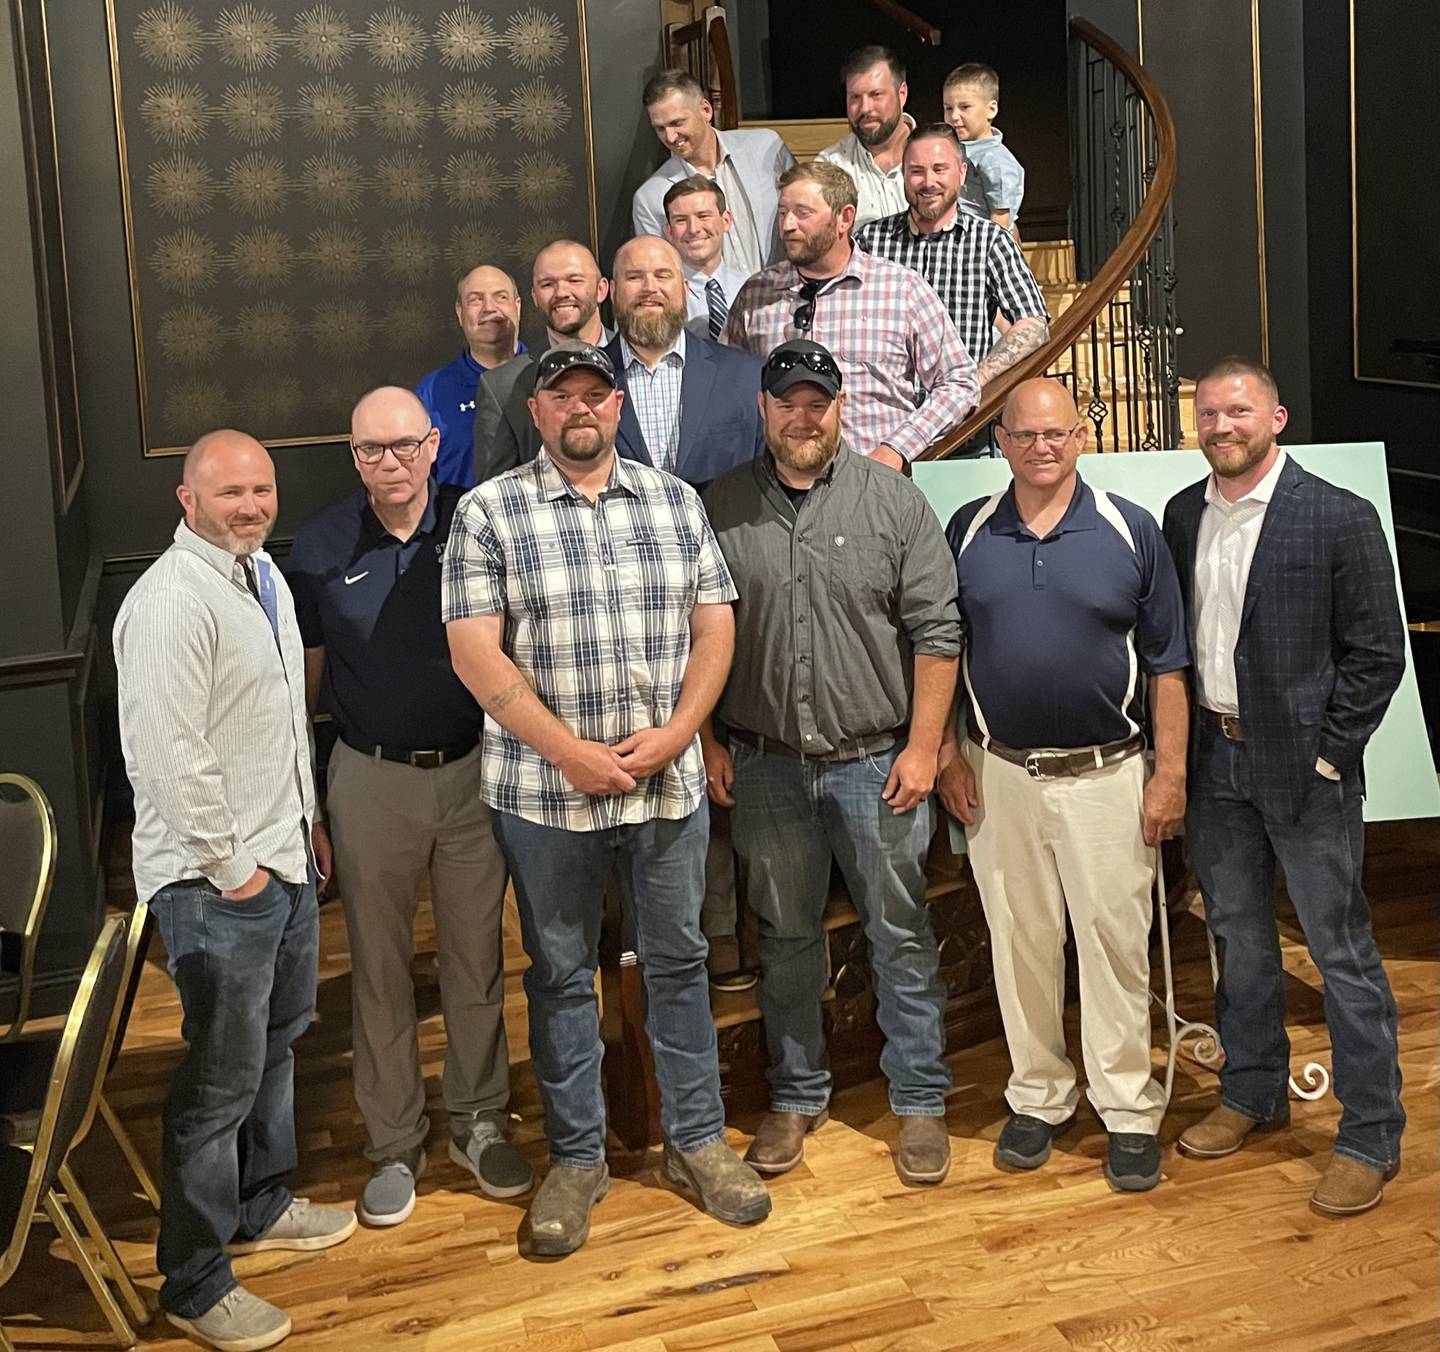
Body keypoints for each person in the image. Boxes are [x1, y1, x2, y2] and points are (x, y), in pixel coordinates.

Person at [443, 341, 771, 1255]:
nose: (579, 408)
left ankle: (698, 1143)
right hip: (545, 800)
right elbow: (475, 651)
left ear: (617, 407)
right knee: (557, 977)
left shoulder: (674, 503)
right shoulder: (488, 512)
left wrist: (678, 734)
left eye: (596, 393)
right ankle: (577, 1160)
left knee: (678, 966)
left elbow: (716, 625)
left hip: (665, 790)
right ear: (538, 413)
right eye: (562, 397)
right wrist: (569, 754)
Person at [115, 430, 352, 1352]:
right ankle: (196, 1278)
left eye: (262, 488)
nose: (250, 505)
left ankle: (259, 1204)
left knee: (276, 1049)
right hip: (217, 885)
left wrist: (307, 823)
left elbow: (282, 723)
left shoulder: (264, 577)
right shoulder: (171, 602)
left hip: (282, 855)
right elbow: (169, 761)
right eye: (230, 493)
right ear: (188, 499)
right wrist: (237, 873)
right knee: (217, 1086)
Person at [703, 338, 960, 1184]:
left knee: (900, 931)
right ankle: (796, 1093)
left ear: (841, 406)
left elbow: (937, 632)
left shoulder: (894, 502)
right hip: (766, 765)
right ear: (765, 410)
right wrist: (705, 739)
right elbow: (690, 637)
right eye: (788, 402)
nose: (803, 415)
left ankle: (919, 1098)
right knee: (783, 938)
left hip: (876, 763)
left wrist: (926, 748)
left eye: (819, 400)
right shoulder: (719, 508)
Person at [1162, 358, 1407, 1217]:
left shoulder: (1339, 517)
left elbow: (1380, 654)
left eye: (1238, 411)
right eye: (1208, 413)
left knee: (1341, 953)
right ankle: (1255, 1092)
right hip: (1214, 762)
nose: (1222, 426)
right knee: (1235, 938)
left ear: (1278, 418)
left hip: (1307, 775)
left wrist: (1330, 758)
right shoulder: (1183, 513)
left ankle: (1371, 1134)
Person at [287, 388, 531, 1231]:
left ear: (433, 445)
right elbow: (305, 685)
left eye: (402, 446)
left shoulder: (480, 522)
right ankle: (393, 1141)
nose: (388, 463)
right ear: (352, 456)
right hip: (368, 776)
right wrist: (307, 795)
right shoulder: (318, 546)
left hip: (473, 773)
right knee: (380, 970)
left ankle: (479, 1119)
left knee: (476, 961)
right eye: (369, 451)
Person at [939, 378, 1190, 1194]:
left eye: (1057, 433)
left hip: (1109, 777)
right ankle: (1040, 1096)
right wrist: (947, 752)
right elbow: (942, 652)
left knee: (1116, 944)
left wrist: (1170, 776)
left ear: (1080, 436)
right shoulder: (968, 529)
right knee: (1019, 943)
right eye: (1025, 434)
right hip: (1001, 772)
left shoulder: (1130, 529)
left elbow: (1168, 667)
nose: (1042, 447)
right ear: (1000, 442)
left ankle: (1126, 1105)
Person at [725, 160, 979, 470]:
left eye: (803, 213)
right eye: (782, 213)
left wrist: (896, 449)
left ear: (844, 218)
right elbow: (731, 389)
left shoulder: (900, 289)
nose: (788, 225)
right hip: (778, 490)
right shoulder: (756, 294)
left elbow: (960, 381)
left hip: (873, 486)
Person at [855, 124, 1050, 390]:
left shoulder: (990, 241)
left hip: (964, 418)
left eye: (939, 169)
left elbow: (1034, 322)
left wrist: (977, 378)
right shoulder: (870, 240)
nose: (928, 182)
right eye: (916, 171)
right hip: (886, 414)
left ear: (962, 173)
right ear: (903, 174)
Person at [608, 234, 764, 488]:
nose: (649, 288)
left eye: (662, 275)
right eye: (634, 277)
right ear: (613, 291)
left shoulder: (746, 376)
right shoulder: (589, 379)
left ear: (684, 289)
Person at [472, 240, 613, 483]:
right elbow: (495, 492)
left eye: (575, 280)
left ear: (602, 289)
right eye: (547, 284)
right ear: (535, 297)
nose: (561, 293)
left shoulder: (635, 363)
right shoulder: (501, 388)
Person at [633, 69, 795, 275]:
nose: (671, 137)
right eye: (660, 128)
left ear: (706, 110)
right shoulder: (650, 198)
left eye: (677, 123)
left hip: (783, 295)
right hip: (710, 306)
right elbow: (657, 274)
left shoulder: (766, 148)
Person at [416, 264, 523, 488]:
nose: (489, 308)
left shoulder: (547, 376)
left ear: (517, 306)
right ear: (459, 312)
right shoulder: (432, 391)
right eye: (476, 299)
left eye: (500, 297)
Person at [817, 45, 915, 228]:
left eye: (876, 95)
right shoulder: (830, 166)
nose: (865, 108)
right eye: (854, 97)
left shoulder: (942, 153)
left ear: (902, 94)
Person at [662, 174, 751, 341]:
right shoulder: (661, 298)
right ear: (669, 231)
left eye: (703, 216)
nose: (693, 229)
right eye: (681, 220)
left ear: (726, 221)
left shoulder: (752, 289)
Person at [942, 63, 1026, 236]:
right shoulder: (953, 149)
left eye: (965, 107)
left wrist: (987, 254)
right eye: (948, 108)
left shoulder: (995, 159)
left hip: (979, 245)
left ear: (991, 109)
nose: (954, 116)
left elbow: (1001, 216)